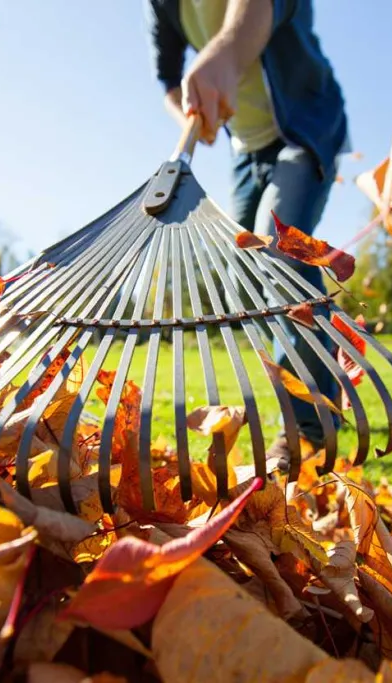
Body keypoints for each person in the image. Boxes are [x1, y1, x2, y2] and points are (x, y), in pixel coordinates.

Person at [143, 0, 350, 465]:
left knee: (281, 254)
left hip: (305, 129)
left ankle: (312, 428)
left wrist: (224, 53)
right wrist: (191, 115)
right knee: (255, 271)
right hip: (246, 150)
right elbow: (167, 78)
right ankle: (323, 403)